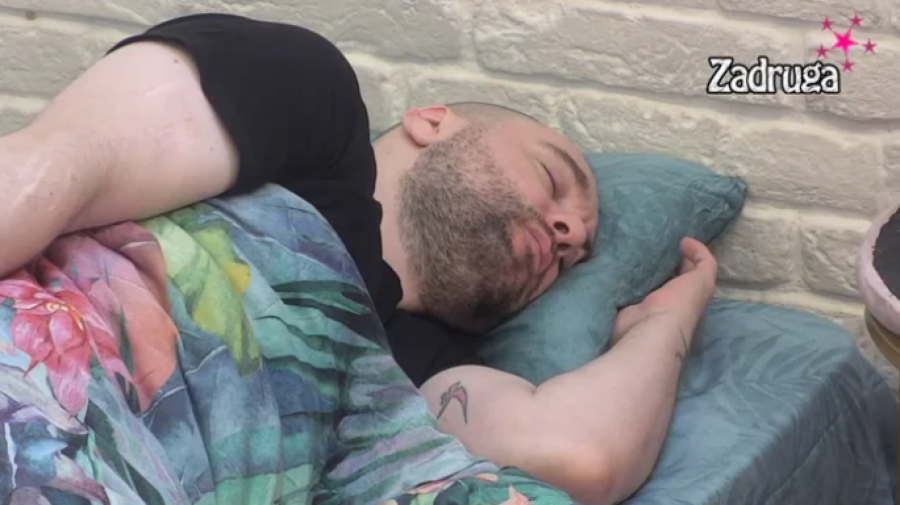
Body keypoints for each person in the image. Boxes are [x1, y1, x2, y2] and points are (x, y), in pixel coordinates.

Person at [0, 13, 718, 504]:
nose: (565, 230)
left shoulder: (417, 373)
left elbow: (579, 455)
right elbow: (50, 170)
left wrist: (666, 320)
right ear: (432, 122)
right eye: (554, 177)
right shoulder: (312, 107)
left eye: (572, 255)